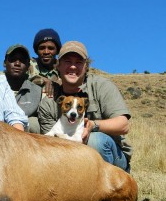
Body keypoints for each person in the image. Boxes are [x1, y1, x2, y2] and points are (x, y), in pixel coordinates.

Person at [38, 40, 132, 173]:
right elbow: (49, 142)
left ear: (86, 66)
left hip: (113, 160)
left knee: (95, 141)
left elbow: (124, 125)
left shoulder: (102, 86)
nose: (72, 67)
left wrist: (93, 125)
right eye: (67, 62)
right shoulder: (49, 100)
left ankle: (107, 189)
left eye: (78, 62)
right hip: (72, 158)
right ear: (58, 66)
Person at [3, 44, 43, 133]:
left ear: (28, 66)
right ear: (4, 63)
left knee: (33, 123)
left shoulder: (37, 91)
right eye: (13, 59)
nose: (17, 63)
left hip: (24, 140)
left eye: (22, 60)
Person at [29, 28, 62, 95]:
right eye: (42, 48)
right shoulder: (27, 64)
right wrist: (43, 80)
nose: (46, 52)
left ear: (57, 51)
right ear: (36, 51)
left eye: (51, 48)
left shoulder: (64, 68)